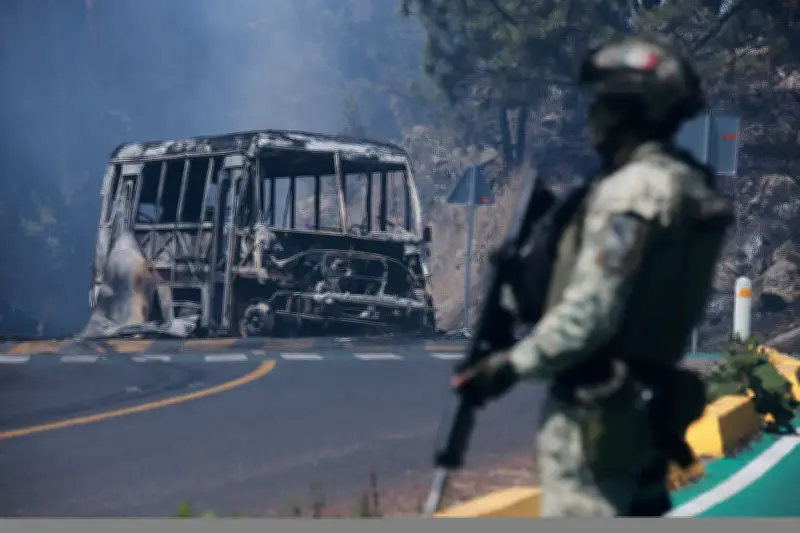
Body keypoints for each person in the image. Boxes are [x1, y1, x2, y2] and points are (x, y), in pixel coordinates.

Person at [453, 35, 734, 517]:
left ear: (630, 112)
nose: (595, 116)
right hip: (650, 410)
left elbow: (591, 314)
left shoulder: (632, 195)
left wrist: (508, 366)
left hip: (598, 418)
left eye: (606, 102)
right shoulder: (692, 189)